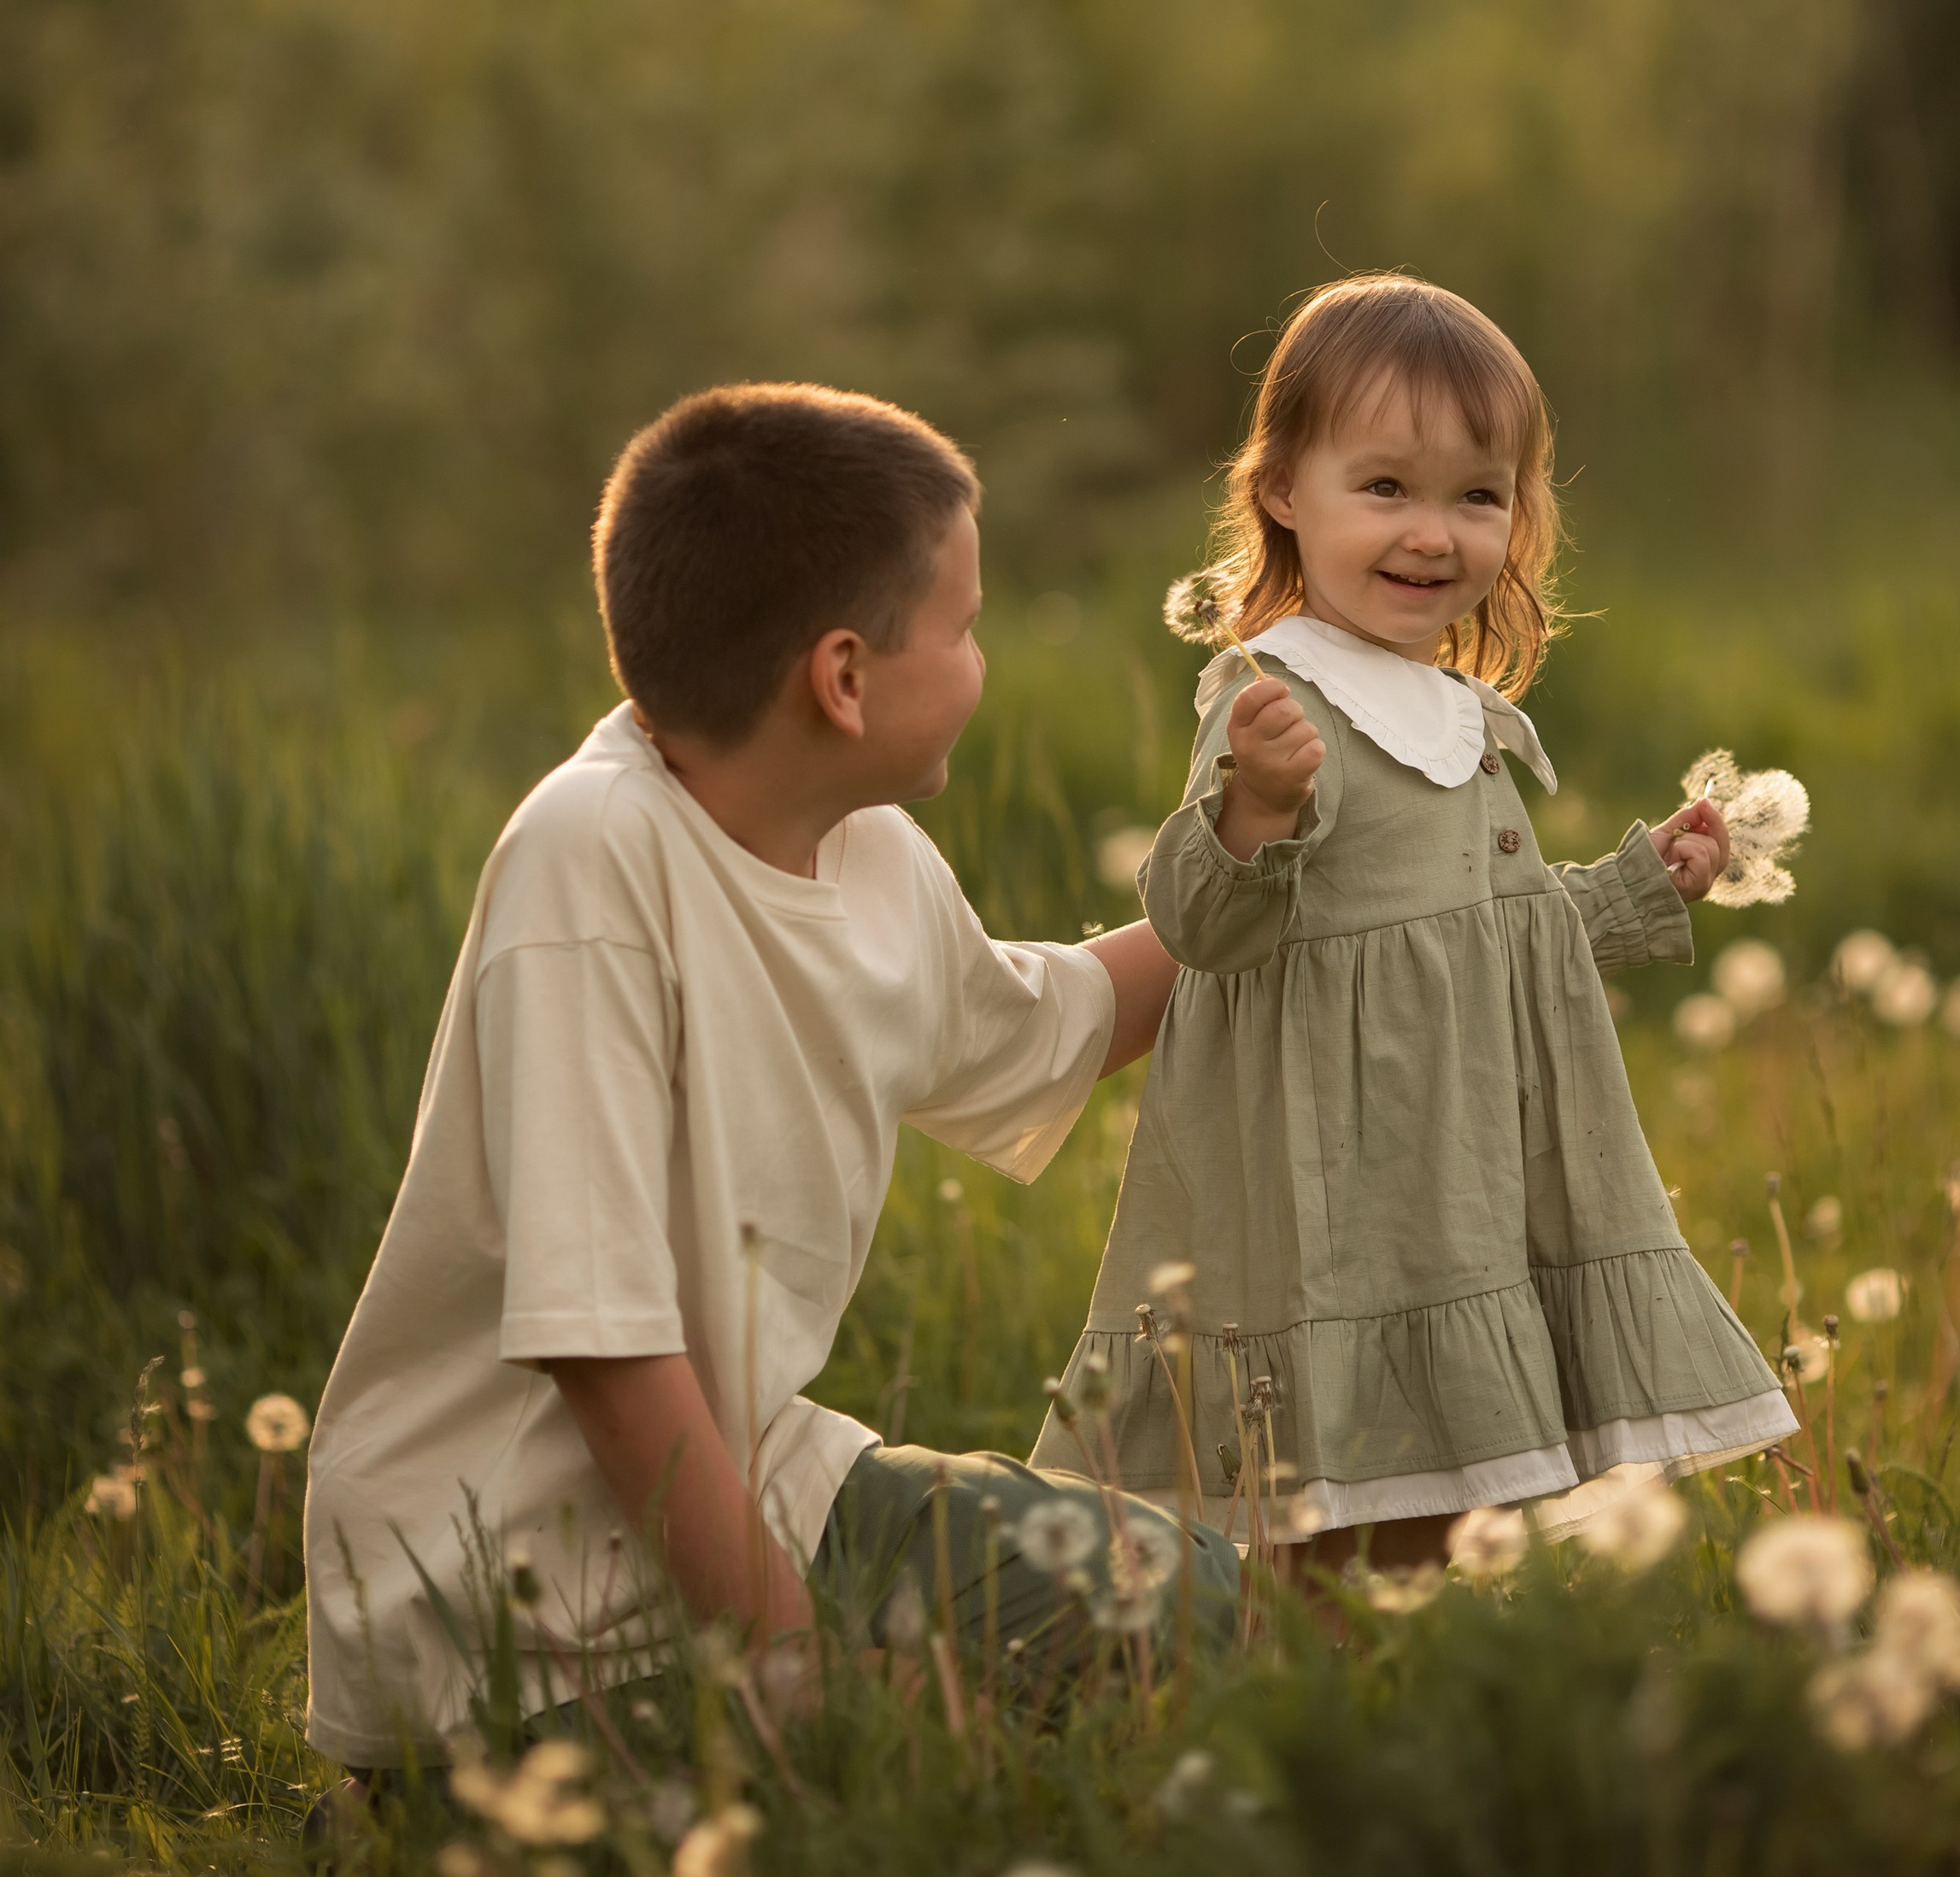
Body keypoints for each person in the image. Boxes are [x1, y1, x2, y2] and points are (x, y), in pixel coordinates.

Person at [303, 382, 1234, 1775]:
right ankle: (417, 1806)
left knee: (1191, 1605)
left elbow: (1049, 1023)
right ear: (844, 679)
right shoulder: (591, 862)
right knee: (863, 1801)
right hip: (511, 1600)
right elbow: (605, 1352)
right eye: (964, 628)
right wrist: (811, 1681)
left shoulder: (864, 848)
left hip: (751, 1479)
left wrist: (1250, 869)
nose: (981, 663)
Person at [1031, 274, 1795, 1571]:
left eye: (1477, 497)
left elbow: (1489, 934)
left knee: (1446, 1494)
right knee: (1333, 1484)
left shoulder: (1457, 713)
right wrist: (1251, 811)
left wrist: (1638, 887)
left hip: (1459, 1177)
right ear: (1285, 489)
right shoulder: (1279, 700)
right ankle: (1302, 1670)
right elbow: (1205, 932)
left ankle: (1391, 1672)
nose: (1432, 534)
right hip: (1338, 1187)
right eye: (1385, 487)